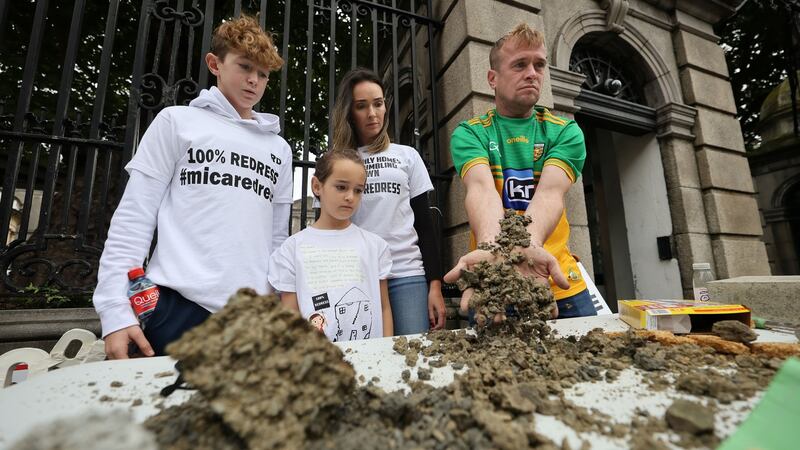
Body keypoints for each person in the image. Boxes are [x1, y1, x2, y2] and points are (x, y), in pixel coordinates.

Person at [94, 15, 292, 358]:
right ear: (214, 64)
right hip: (176, 309)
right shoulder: (177, 121)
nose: (254, 81)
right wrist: (114, 310)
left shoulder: (279, 149)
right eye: (245, 66)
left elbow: (277, 240)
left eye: (263, 74)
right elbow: (134, 219)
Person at [444, 23, 596, 320]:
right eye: (520, 65)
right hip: (495, 284)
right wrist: (493, 253)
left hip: (556, 281)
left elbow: (550, 194)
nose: (532, 73)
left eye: (539, 65)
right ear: (493, 78)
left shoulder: (566, 131)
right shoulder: (470, 134)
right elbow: (482, 191)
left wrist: (529, 247)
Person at [330, 68, 445, 335]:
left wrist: (435, 286)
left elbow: (425, 226)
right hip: (358, 278)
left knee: (412, 359)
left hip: (407, 274)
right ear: (349, 112)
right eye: (362, 106)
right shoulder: (336, 163)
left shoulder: (408, 156)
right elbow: (328, 229)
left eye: (378, 104)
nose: (372, 113)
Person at [268, 150, 393, 341]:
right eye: (341, 187)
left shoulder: (375, 246)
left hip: (371, 362)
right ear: (317, 186)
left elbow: (384, 307)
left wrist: (386, 350)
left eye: (358, 190)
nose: (350, 197)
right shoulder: (291, 249)